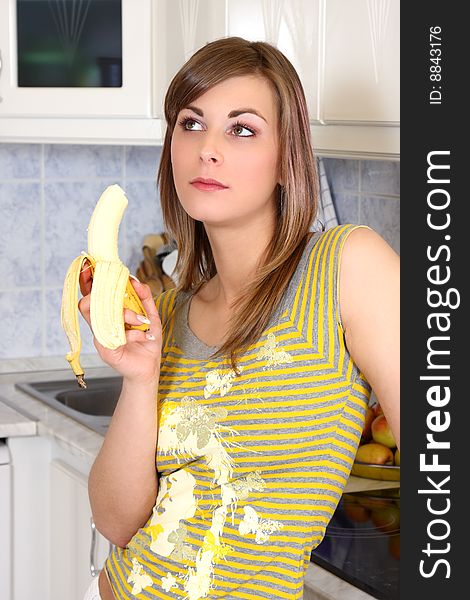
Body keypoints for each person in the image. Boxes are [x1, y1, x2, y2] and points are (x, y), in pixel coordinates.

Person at [80, 37, 399, 600]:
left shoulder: (345, 266)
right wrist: (139, 376)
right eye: (191, 123)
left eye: (242, 128)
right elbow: (116, 521)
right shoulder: (173, 311)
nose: (208, 149)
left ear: (286, 161)